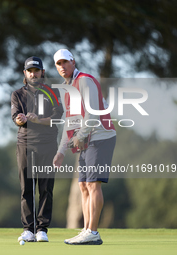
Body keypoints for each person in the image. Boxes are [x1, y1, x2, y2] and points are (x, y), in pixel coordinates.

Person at [52, 49, 116, 245]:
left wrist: (80, 135)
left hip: (101, 136)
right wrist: (61, 151)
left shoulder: (85, 80)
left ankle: (93, 232)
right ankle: (87, 229)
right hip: (86, 140)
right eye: (58, 64)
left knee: (92, 184)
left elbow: (93, 114)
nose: (62, 66)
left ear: (73, 62)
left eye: (65, 62)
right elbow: (69, 122)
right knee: (82, 185)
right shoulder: (67, 89)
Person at [11, 56, 63, 242]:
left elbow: (57, 117)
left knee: (46, 188)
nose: (33, 74)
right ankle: (28, 229)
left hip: (48, 144)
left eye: (36, 70)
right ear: (25, 73)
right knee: (27, 188)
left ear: (42, 72)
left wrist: (37, 120)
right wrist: (21, 120)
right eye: (30, 71)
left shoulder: (52, 92)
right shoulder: (17, 94)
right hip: (25, 144)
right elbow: (15, 116)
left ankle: (42, 229)